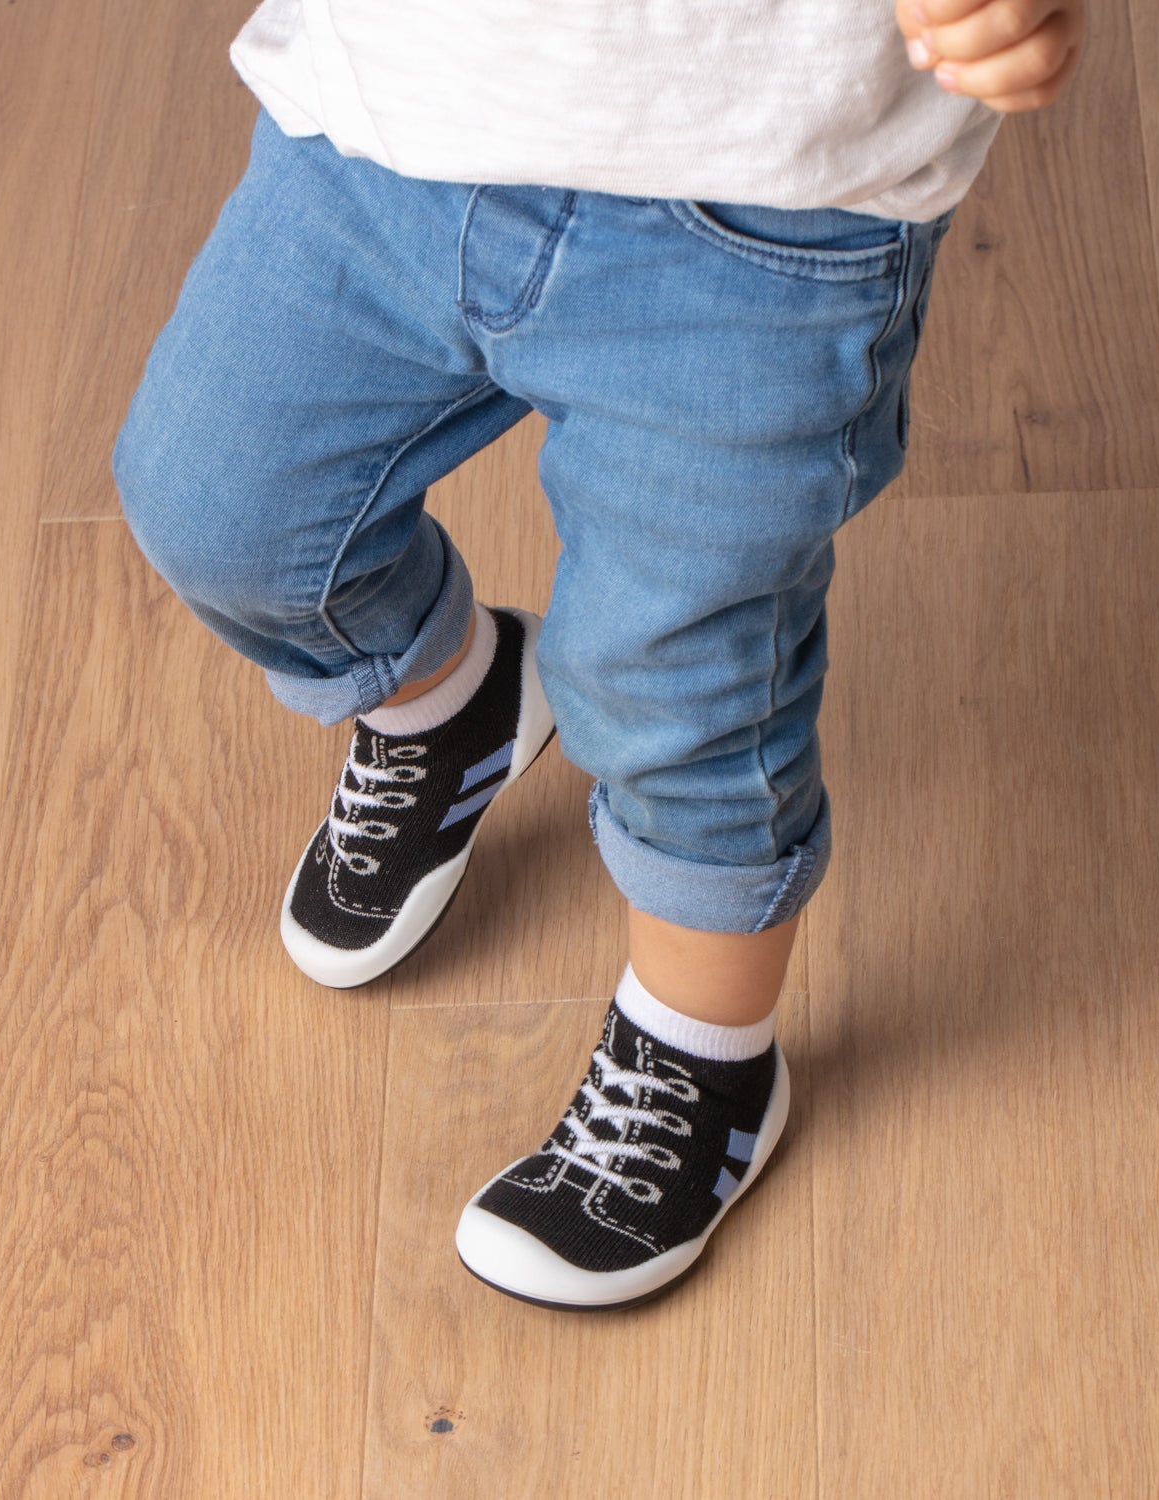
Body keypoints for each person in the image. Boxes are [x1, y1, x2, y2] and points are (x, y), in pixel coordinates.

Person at [111, 0, 1086, 1311]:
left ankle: (704, 1055)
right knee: (217, 499)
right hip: (385, 123)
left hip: (761, 203)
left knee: (674, 677)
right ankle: (445, 703)